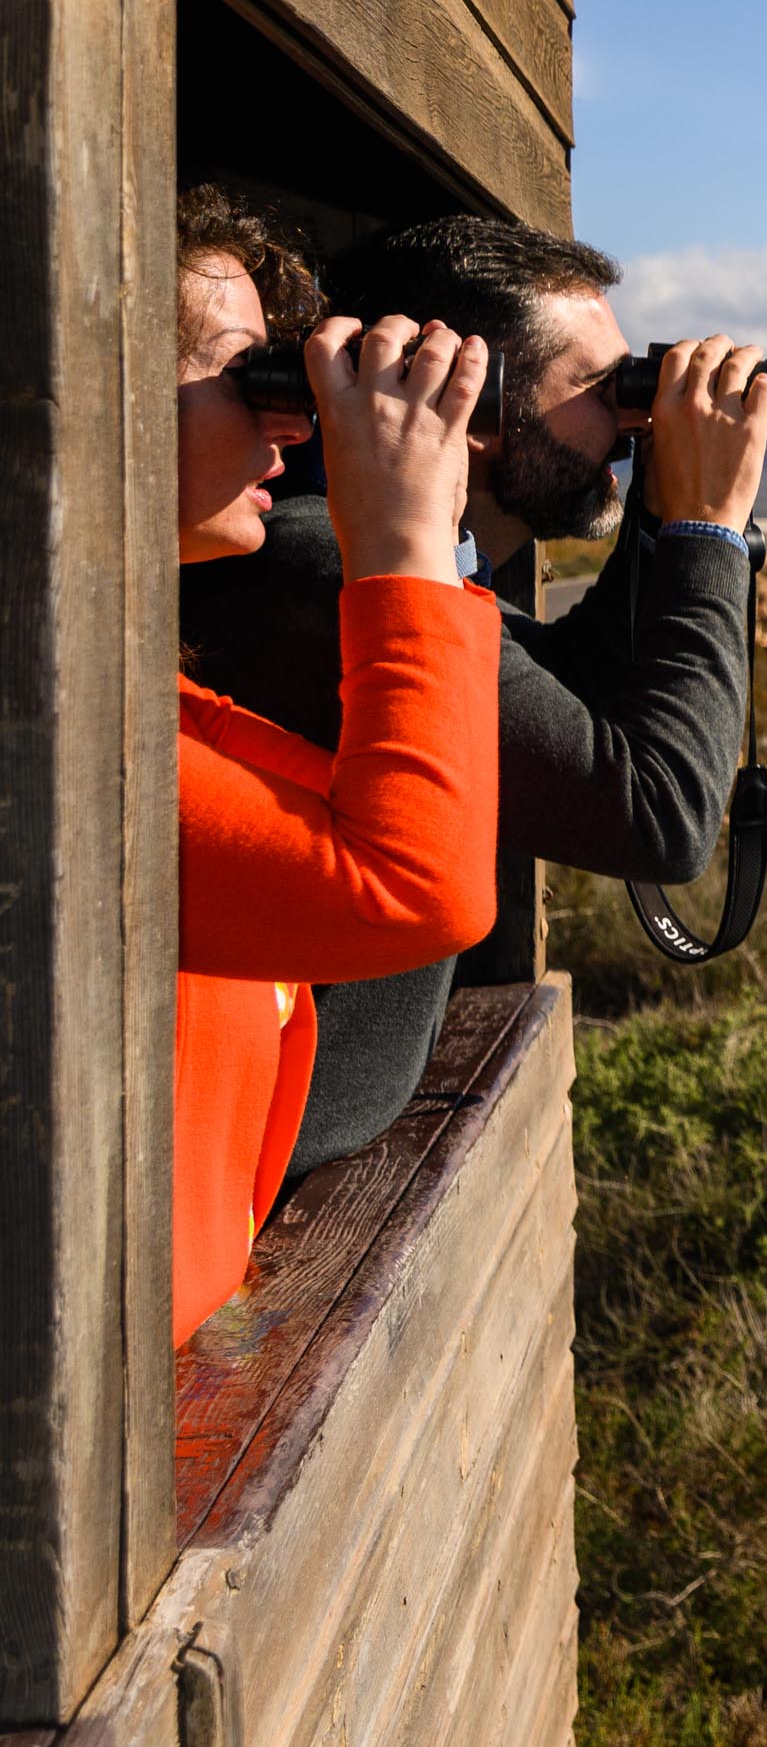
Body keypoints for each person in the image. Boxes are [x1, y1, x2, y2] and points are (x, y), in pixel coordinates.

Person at [178, 210, 767, 1176]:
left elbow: (562, 697)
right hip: (267, 1181)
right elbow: (656, 814)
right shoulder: (316, 565)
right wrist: (708, 535)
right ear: (475, 391)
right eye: (601, 388)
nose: (629, 418)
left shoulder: (371, 557)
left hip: (305, 1160)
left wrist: (669, 508)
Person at [173, 192, 500, 1343]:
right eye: (240, 370)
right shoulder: (60, 738)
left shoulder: (138, 697)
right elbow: (418, 885)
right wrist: (404, 544)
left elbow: (361, 815)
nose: (293, 426)